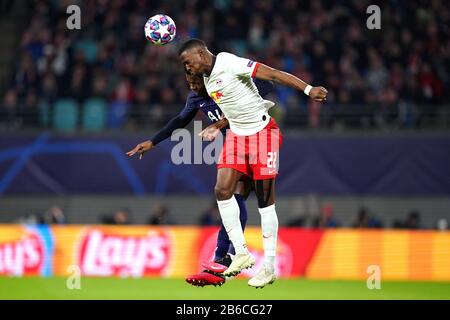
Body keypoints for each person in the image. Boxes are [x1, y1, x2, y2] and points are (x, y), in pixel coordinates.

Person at [178, 38, 327, 288]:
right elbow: (232, 107)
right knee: (222, 190)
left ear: (202, 54)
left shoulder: (230, 62)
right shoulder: (204, 80)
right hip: (237, 137)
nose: (186, 68)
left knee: (265, 201)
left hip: (263, 134)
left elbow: (274, 75)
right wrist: (217, 126)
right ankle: (242, 253)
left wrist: (308, 89)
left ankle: (268, 267)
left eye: (187, 62)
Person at [127, 70, 274, 286]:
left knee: (247, 199)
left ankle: (234, 256)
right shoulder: (196, 97)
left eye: (195, 81)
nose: (192, 86)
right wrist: (153, 141)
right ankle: (225, 257)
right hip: (235, 145)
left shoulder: (226, 83)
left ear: (206, 79)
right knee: (232, 197)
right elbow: (180, 120)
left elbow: (267, 85)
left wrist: (224, 119)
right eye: (188, 82)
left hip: (258, 138)